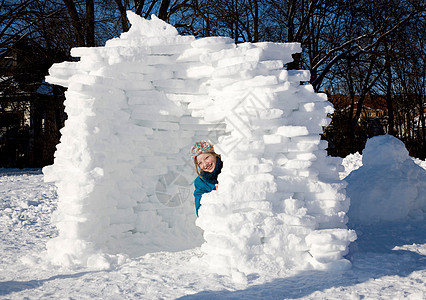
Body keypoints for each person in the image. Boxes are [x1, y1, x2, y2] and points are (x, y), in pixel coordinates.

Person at [190, 140, 223, 216]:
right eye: (200, 163)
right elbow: (200, 211)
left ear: (215, 154)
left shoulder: (230, 168)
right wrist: (216, 193)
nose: (205, 164)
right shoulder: (200, 182)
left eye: (206, 157)